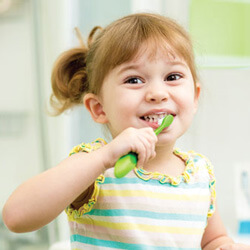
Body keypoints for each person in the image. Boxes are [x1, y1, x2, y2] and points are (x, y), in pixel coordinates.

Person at [2, 13, 250, 250]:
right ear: (99, 108)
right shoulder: (95, 167)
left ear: (194, 98)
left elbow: (212, 240)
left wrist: (223, 246)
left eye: (172, 76)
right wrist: (102, 158)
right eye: (134, 80)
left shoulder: (200, 175)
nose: (158, 93)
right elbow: (16, 217)